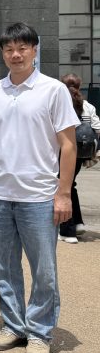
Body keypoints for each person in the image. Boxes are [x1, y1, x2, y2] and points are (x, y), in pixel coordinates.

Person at [0, 22, 79, 353]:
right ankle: (14, 324)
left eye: (22, 48)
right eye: (9, 49)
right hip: (0, 194)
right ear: (2, 53)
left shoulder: (53, 90)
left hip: (39, 195)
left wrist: (63, 193)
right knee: (1, 265)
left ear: (35, 50)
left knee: (43, 269)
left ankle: (39, 331)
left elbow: (68, 145)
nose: (16, 55)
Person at [57, 73, 100, 244]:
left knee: (62, 186)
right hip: (81, 153)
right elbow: (97, 128)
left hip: (62, 151)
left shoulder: (61, 104)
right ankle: (78, 222)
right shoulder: (88, 106)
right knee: (70, 184)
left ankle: (67, 231)